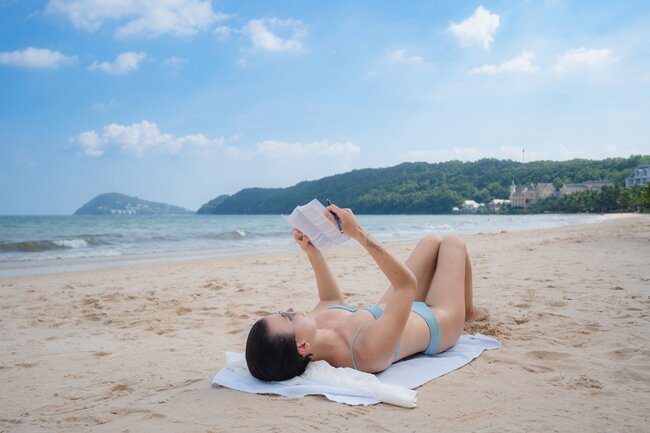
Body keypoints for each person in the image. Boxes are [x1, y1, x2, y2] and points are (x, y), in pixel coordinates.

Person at [245, 204, 487, 381]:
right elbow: (406, 286)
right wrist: (357, 232)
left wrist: (312, 252)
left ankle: (467, 307)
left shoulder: (315, 326)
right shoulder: (365, 352)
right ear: (302, 347)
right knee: (453, 243)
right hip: (437, 321)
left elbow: (330, 299)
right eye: (288, 317)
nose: (291, 310)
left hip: (392, 308)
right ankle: (466, 311)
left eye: (283, 311)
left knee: (431, 242)